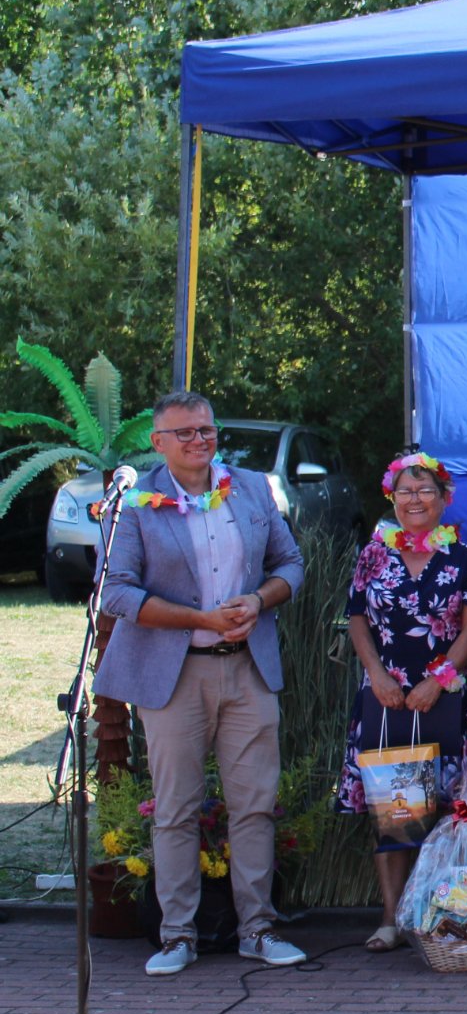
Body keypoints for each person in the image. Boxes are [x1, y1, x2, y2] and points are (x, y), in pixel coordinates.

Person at [97, 390, 308, 975]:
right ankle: (177, 936)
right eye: (185, 433)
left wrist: (259, 598)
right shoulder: (135, 500)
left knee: (254, 805)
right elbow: (115, 591)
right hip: (174, 672)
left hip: (247, 666)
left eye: (206, 430)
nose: (199, 441)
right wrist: (199, 619)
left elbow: (290, 564)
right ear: (157, 442)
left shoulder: (249, 486)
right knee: (175, 809)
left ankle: (258, 928)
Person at [340, 450, 467, 951]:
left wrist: (439, 678)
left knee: (450, 807)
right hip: (384, 697)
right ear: (392, 498)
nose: (415, 499)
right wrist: (376, 674)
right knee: (392, 807)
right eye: (405, 491)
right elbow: (357, 619)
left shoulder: (464, 558)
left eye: (425, 490)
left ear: (445, 498)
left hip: (442, 696)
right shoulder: (373, 553)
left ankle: (447, 915)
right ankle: (392, 918)